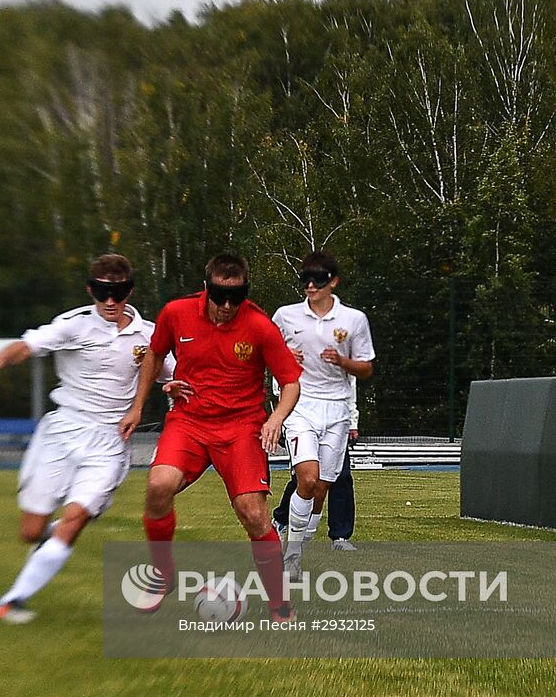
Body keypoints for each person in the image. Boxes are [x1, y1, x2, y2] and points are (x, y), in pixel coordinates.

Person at [0, 254, 173, 625]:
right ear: (90, 290)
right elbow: (29, 344)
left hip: (109, 441)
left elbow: (170, 371)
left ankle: (12, 600)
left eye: (118, 292)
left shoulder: (148, 334)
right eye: (102, 292)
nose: (110, 301)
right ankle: (54, 535)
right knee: (31, 532)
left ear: (130, 290)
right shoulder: (72, 326)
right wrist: (0, 358)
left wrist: (175, 385)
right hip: (62, 433)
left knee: (75, 517)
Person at [120, 252, 304, 622]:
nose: (226, 305)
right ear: (206, 288)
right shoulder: (177, 313)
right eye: (219, 296)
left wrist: (277, 419)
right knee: (158, 487)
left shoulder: (260, 326)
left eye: (235, 297)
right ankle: (162, 573)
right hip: (188, 421)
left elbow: (291, 382)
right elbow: (155, 355)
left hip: (241, 427)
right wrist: (140, 405)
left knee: (252, 513)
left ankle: (278, 603)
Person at [268, 252, 374, 575]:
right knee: (307, 478)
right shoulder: (285, 316)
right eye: (305, 279)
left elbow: (366, 368)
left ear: (334, 281)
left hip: (337, 410)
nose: (311, 285)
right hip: (300, 404)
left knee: (323, 486)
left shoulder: (353, 320)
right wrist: (284, 356)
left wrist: (343, 361)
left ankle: (298, 546)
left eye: (319, 279)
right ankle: (291, 558)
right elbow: (265, 353)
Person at [272, 384, 359, 549]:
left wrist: (352, 420)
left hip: (334, 418)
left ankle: (340, 536)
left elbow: (349, 381)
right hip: (302, 415)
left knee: (341, 476)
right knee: (306, 479)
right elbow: (281, 376)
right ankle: (282, 521)